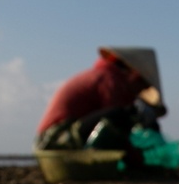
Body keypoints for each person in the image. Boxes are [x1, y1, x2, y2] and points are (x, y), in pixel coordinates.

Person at [34, 46, 167, 170]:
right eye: (141, 86)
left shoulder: (104, 77)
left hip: (58, 138)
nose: (138, 92)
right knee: (120, 115)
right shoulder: (109, 81)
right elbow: (117, 127)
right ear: (135, 76)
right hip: (54, 140)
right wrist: (139, 162)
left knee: (125, 114)